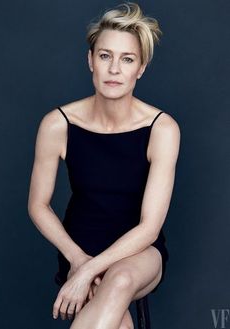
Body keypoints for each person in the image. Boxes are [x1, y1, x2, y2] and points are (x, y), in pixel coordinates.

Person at [28, 2, 180, 329]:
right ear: (90, 61)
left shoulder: (162, 128)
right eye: (105, 56)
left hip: (139, 252)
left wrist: (88, 271)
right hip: (78, 247)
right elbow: (38, 206)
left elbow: (149, 227)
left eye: (127, 59)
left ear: (141, 68)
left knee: (121, 279)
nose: (114, 69)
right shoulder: (57, 124)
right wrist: (78, 260)